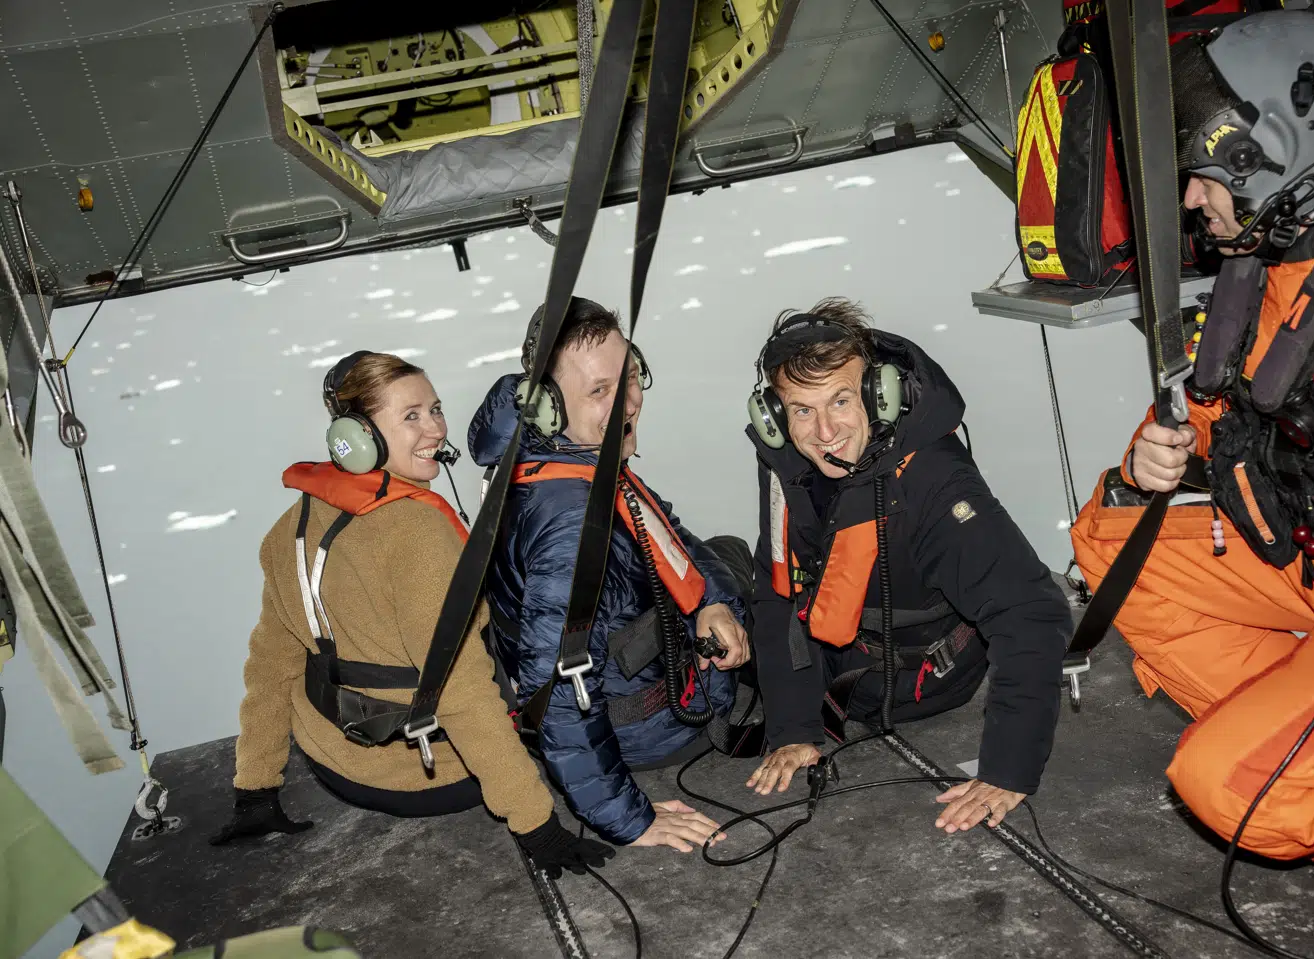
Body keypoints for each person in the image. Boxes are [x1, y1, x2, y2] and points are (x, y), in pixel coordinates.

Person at [1070, 10, 1314, 871]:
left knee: (1230, 791)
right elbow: (1207, 415)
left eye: (1203, 177)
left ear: (1275, 155)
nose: (1191, 200)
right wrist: (1144, 460)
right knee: (1107, 534)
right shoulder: (1262, 266)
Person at [214, 351, 612, 879]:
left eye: (436, 409)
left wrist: (255, 788)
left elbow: (270, 664)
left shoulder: (292, 523)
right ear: (356, 438)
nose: (435, 429)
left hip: (334, 764)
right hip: (428, 778)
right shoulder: (419, 536)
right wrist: (536, 824)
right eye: (411, 416)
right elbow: (463, 693)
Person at [742, 297, 1073, 833]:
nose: (825, 431)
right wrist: (794, 728)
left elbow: (1032, 613)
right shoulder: (783, 462)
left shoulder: (934, 478)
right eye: (802, 410)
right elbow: (778, 589)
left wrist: (1008, 770)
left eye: (842, 402)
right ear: (776, 417)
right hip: (837, 666)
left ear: (880, 396)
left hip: (923, 683)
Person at [469, 297, 756, 853]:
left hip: (629, 686)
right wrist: (628, 818)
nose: (627, 404)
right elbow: (554, 687)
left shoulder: (547, 451)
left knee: (725, 557)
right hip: (646, 729)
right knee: (759, 573)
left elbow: (667, 530)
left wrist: (712, 600)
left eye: (629, 378)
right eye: (599, 391)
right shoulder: (571, 521)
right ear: (550, 404)